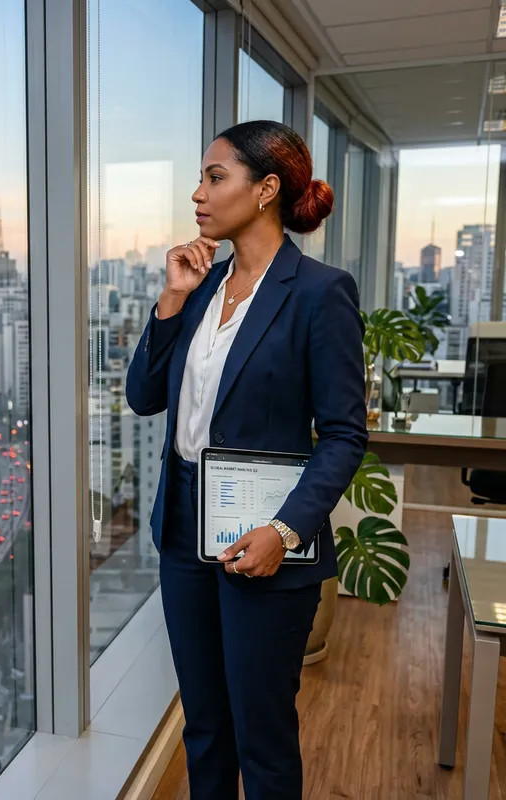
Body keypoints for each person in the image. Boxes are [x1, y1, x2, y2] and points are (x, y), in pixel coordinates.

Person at [125, 120, 368, 800]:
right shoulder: (200, 286)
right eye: (201, 178)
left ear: (265, 190)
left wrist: (285, 531)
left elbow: (346, 434)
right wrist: (170, 300)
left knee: (261, 736)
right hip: (183, 528)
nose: (198, 193)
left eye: (214, 176)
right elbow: (144, 396)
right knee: (203, 726)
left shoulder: (321, 292)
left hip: (263, 534)